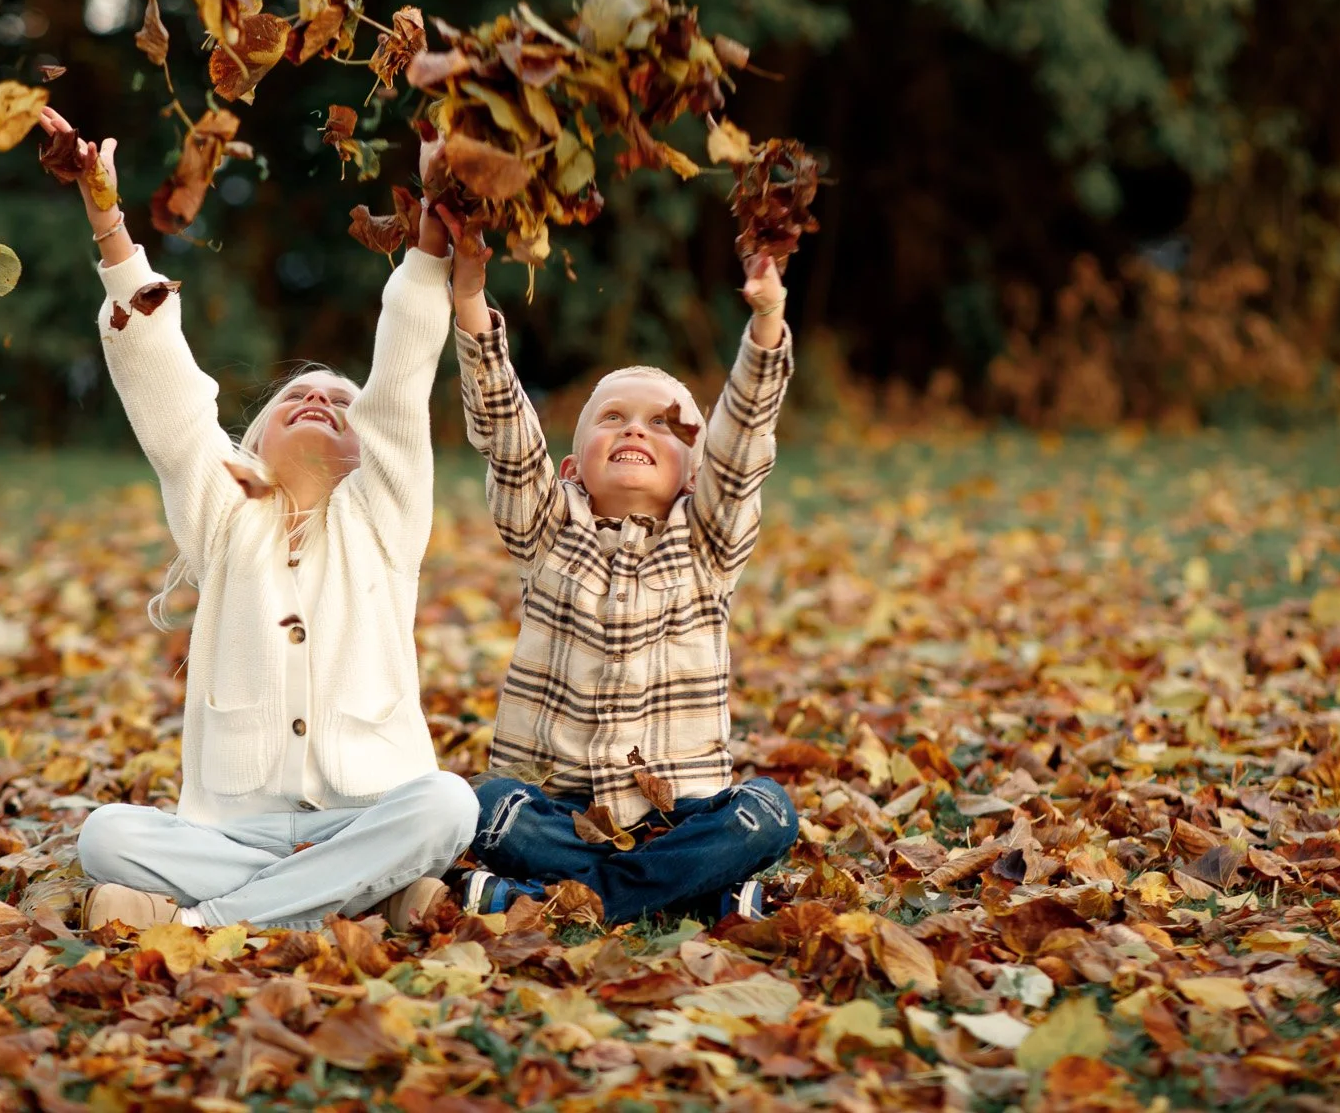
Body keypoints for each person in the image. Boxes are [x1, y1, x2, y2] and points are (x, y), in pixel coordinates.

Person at [42, 108, 478, 934]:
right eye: (296, 399)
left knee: (449, 806)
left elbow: (404, 371)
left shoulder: (385, 515)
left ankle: (207, 923)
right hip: (230, 832)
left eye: (338, 404)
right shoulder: (223, 509)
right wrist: (109, 223)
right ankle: (355, 901)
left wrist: (428, 240)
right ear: (255, 441)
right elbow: (163, 386)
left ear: (368, 447)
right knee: (106, 834)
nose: (317, 399)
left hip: (368, 811)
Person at [442, 212, 799, 924]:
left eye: (665, 424)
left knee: (771, 811)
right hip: (555, 808)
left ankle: (567, 901)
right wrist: (470, 300)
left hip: (682, 812)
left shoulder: (708, 541)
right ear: (572, 467)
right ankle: (693, 896)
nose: (636, 427)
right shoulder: (548, 528)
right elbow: (509, 439)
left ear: (696, 475)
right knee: (480, 807)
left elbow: (743, 444)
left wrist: (764, 326)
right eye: (613, 417)